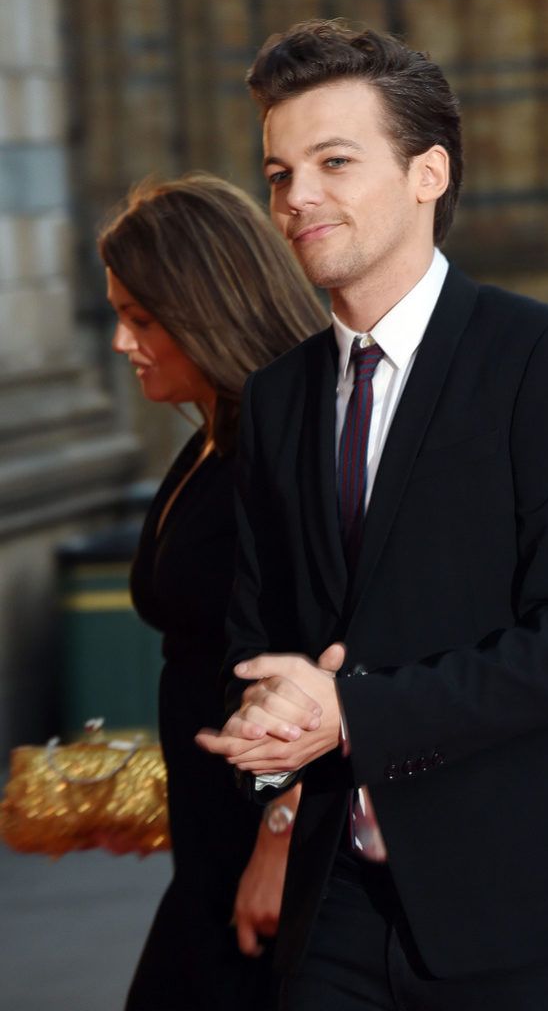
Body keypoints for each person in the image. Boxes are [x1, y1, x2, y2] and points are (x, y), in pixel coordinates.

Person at [196, 21, 548, 1011]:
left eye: (333, 161)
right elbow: (262, 633)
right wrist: (268, 724)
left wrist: (348, 713)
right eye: (278, 171)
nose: (295, 198)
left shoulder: (542, 357)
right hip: (336, 908)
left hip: (530, 902)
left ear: (427, 174)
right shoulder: (277, 395)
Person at [99, 172, 327, 1011]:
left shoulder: (277, 449)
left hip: (264, 849)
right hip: (210, 834)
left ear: (207, 309)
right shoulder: (214, 438)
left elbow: (316, 650)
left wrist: (278, 842)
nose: (125, 344)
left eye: (142, 320)